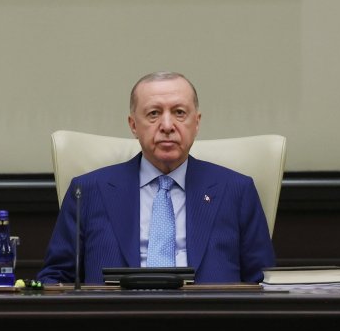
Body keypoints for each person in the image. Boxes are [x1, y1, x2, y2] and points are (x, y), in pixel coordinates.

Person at [38, 72, 275, 284]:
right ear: (133, 125)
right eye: (153, 114)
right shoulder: (87, 191)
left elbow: (264, 281)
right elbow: (55, 278)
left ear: (197, 123)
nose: (167, 125)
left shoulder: (236, 190)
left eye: (179, 113)